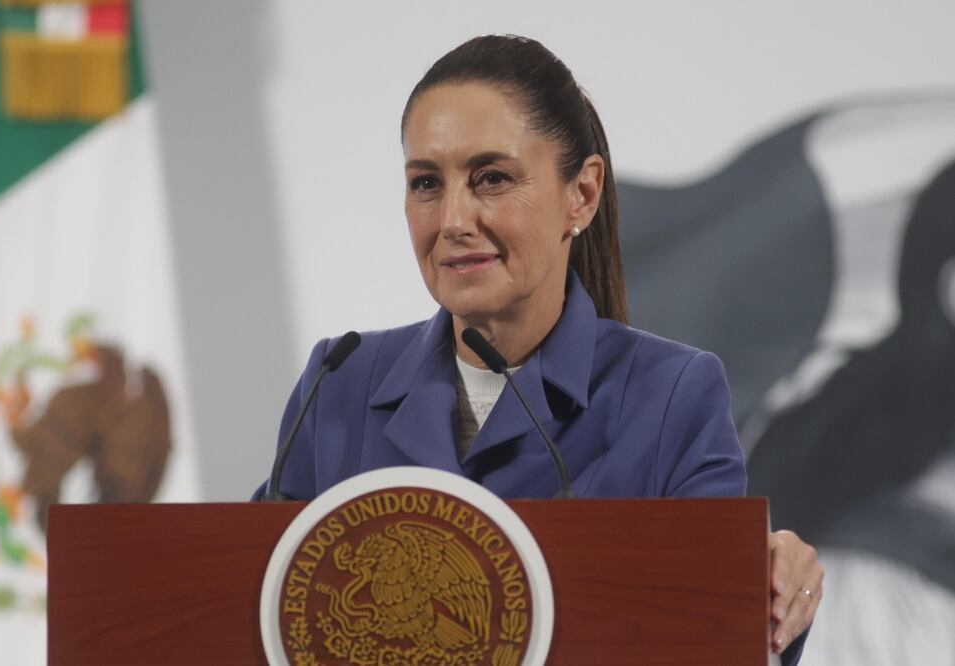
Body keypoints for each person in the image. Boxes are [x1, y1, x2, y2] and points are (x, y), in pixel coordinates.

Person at [258, 34, 822, 663]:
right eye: (425, 183)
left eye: (490, 178)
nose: (451, 219)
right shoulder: (339, 383)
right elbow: (245, 602)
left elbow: (712, 630)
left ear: (581, 194)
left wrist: (771, 585)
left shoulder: (672, 394)